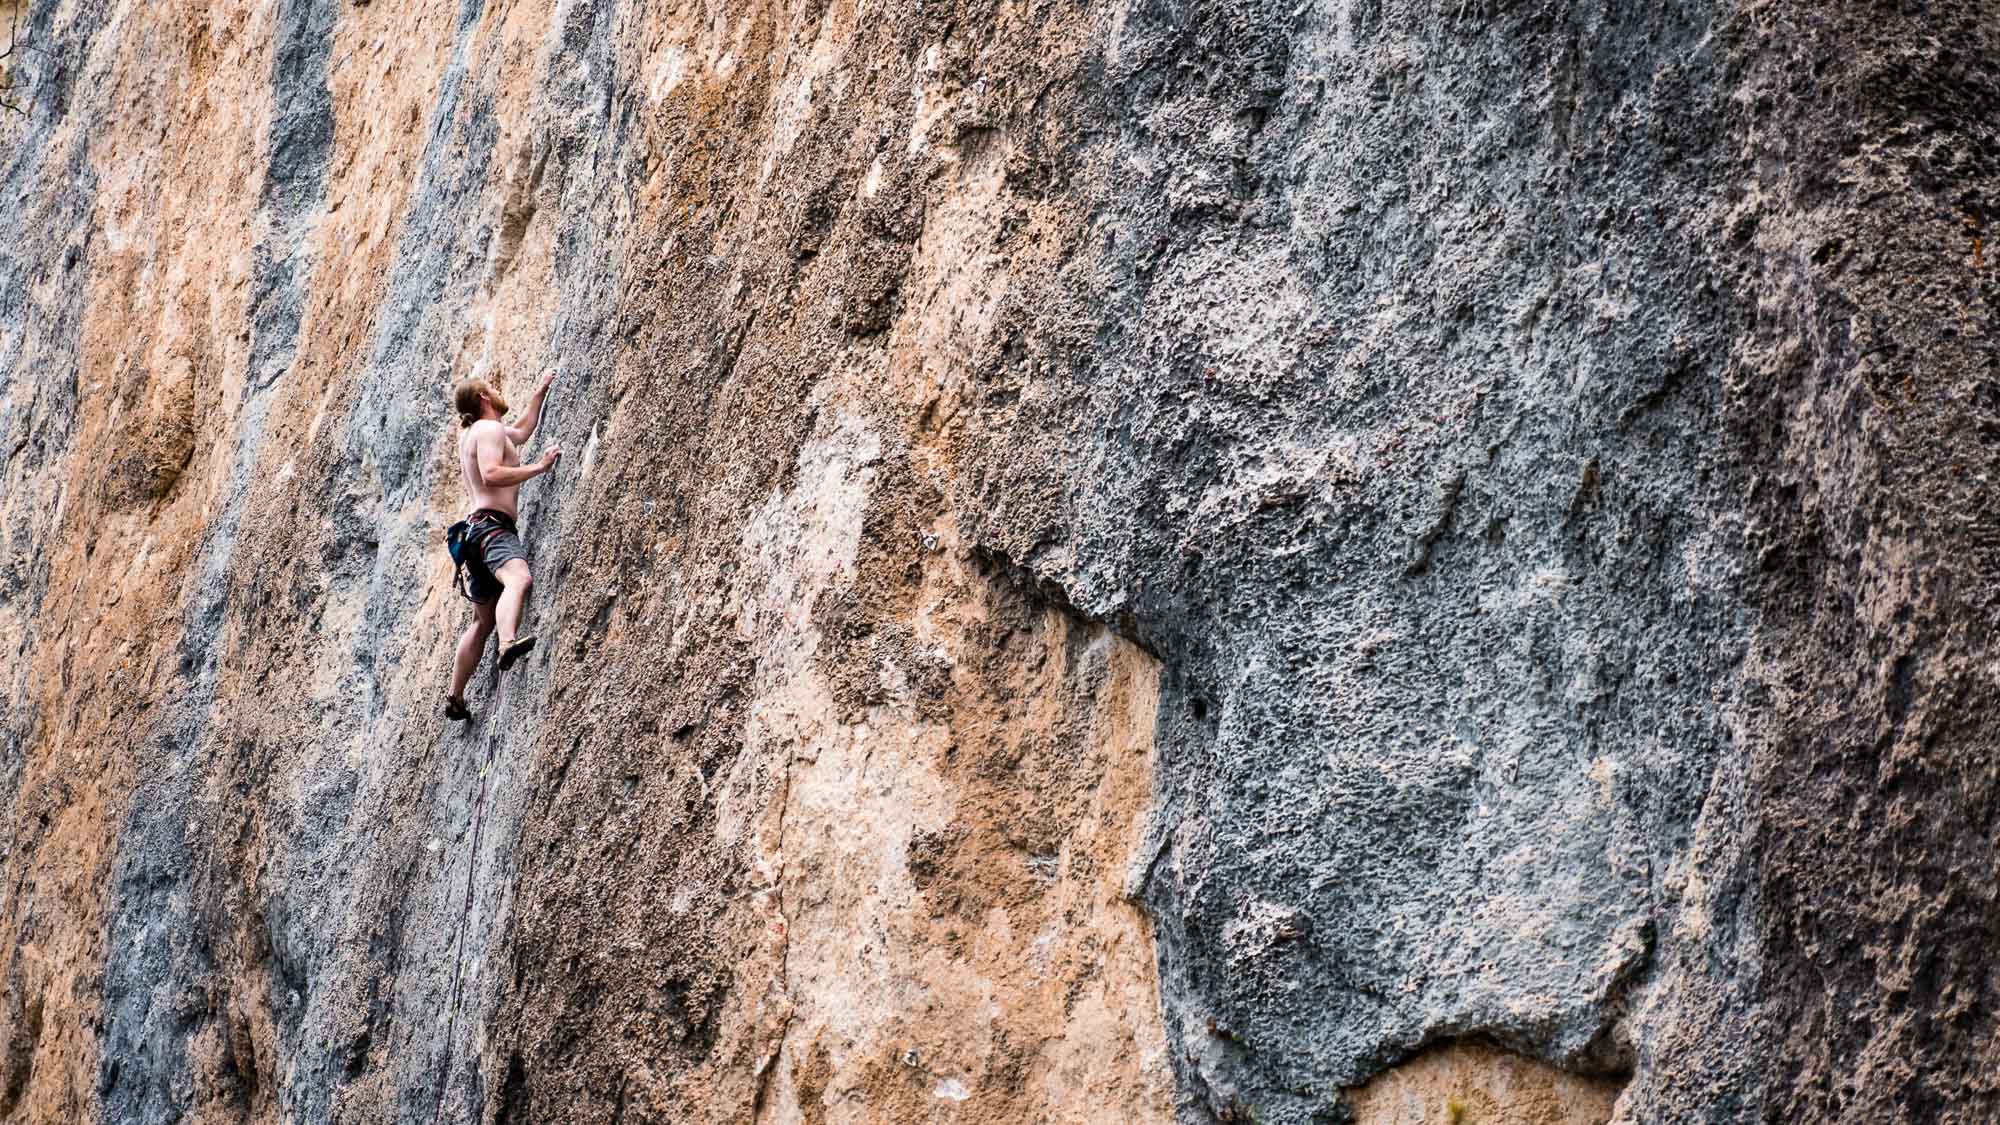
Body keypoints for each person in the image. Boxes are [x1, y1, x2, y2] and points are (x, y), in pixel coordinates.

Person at [444, 370, 560, 721]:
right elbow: (492, 473)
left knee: (481, 622)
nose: (498, 392)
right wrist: (538, 468)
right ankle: (508, 642)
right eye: (493, 389)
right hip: (493, 528)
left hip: (472, 535)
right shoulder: (489, 429)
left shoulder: (476, 434)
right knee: (519, 579)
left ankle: (455, 696)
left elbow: (522, 432)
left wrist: (538, 393)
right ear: (483, 398)